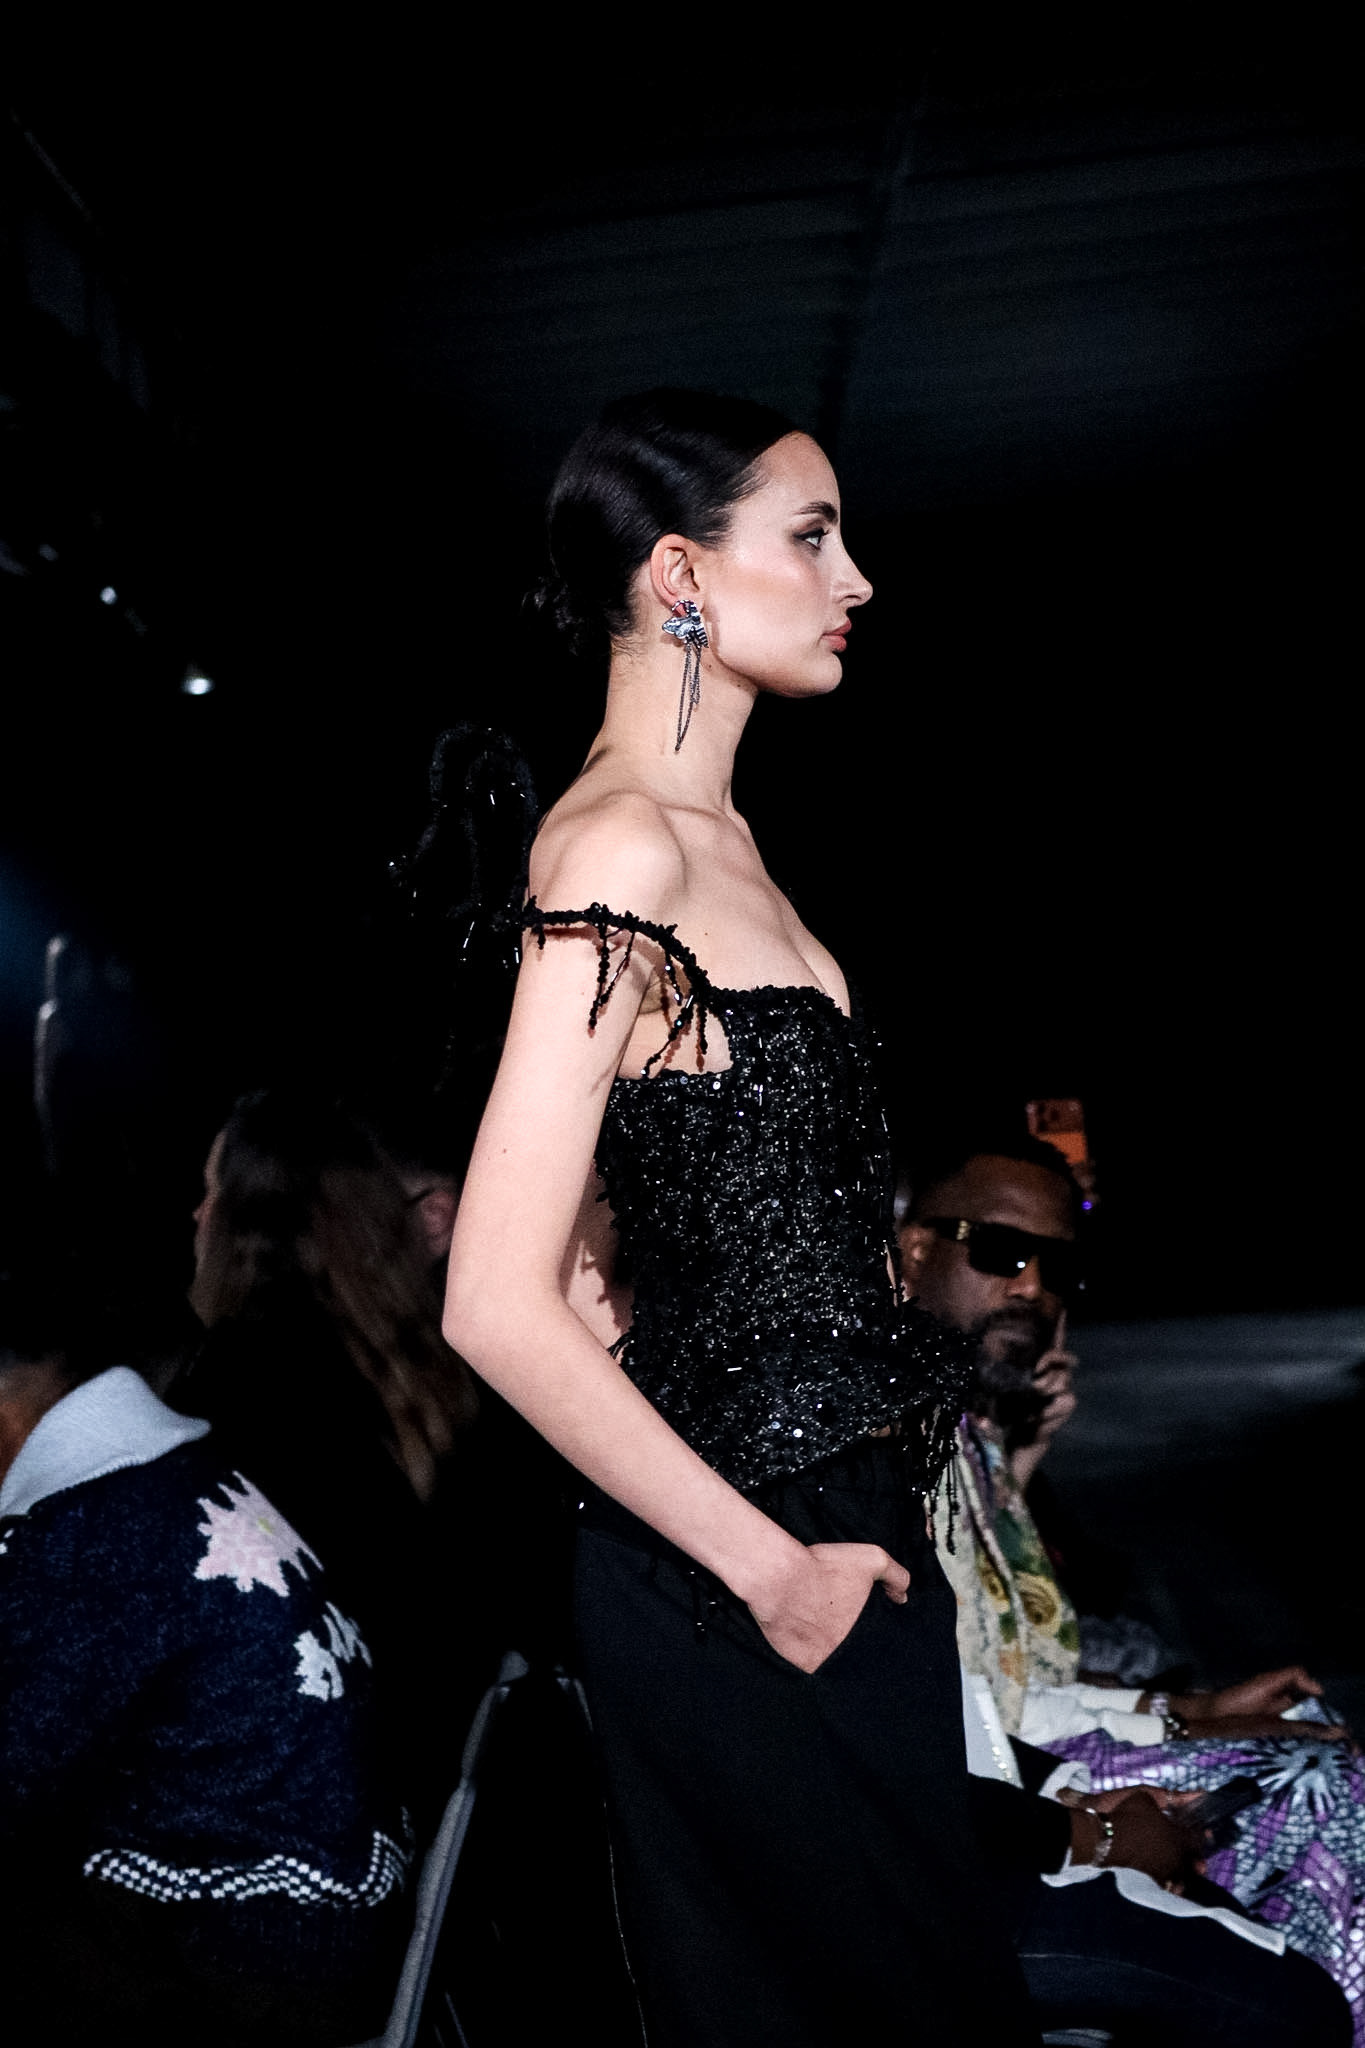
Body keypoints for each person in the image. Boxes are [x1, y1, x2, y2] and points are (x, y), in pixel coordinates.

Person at [441, 389, 1036, 2044]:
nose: (856, 580)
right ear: (682, 575)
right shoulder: (617, 848)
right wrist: (772, 1574)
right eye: (813, 537)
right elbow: (491, 1296)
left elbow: (602, 1255)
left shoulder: (720, 844)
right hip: (742, 1567)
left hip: (820, 1535)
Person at [903, 1131, 1365, 2037]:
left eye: (1058, 1270)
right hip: (992, 1789)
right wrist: (1172, 1723)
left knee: (1309, 1741)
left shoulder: (965, 1426)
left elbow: (1015, 1652)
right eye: (1001, 1251)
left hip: (1018, 1754)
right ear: (913, 1249)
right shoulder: (891, 1431)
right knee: (1309, 1773)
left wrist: (1017, 1458)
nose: (1031, 1288)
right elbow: (983, 1699)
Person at [0, 1258, 408, 2045]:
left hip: (259, 1957)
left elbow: (17, 1779)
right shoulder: (171, 1481)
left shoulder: (97, 1537)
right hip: (329, 1917)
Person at [168, 1088, 482, 1830]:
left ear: (251, 1221)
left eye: (212, 1191)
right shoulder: (429, 1374)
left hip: (314, 1793)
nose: (195, 1215)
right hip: (430, 1775)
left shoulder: (237, 1387)